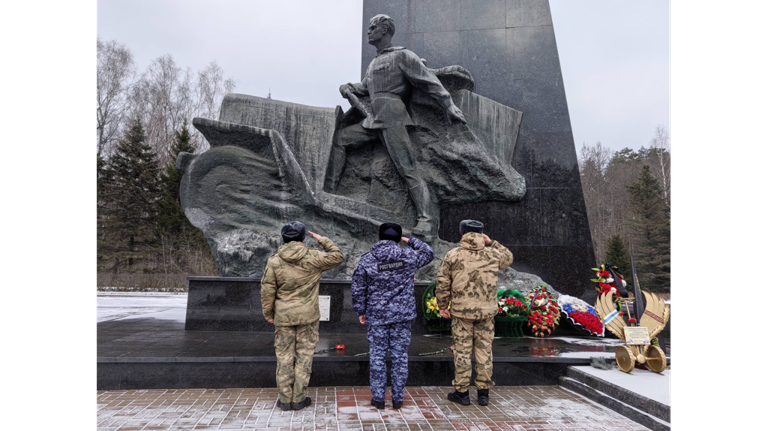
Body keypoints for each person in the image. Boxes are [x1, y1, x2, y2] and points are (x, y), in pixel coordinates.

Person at [324, 14, 467, 241]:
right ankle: (328, 193)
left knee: (407, 168)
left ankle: (426, 220)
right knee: (341, 140)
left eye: (373, 28)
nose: (368, 31)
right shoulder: (373, 63)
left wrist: (448, 105)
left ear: (385, 31)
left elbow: (429, 81)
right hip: (372, 118)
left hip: (393, 117)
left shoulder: (403, 55)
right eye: (369, 28)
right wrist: (348, 86)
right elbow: (365, 87)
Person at [261, 221, 344, 411]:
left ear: (283, 238)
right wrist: (322, 239)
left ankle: (284, 399)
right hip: (308, 316)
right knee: (304, 356)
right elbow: (338, 256)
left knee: (284, 357)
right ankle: (298, 398)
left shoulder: (274, 261)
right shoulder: (313, 257)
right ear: (303, 237)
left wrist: (268, 313)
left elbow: (267, 290)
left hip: (283, 316)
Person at [351, 222, 434, 409]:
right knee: (400, 357)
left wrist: (361, 311)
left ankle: (379, 398)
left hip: (377, 316)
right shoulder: (409, 256)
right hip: (402, 317)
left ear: (380, 237)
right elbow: (429, 252)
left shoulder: (368, 260)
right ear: (398, 238)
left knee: (377, 356)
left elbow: (358, 288)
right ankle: (398, 398)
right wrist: (409, 240)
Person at [435, 220, 514, 406]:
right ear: (482, 233)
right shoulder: (493, 254)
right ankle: (483, 393)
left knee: (462, 352)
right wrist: (491, 242)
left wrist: (442, 306)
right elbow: (508, 257)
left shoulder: (453, 254)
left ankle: (462, 393)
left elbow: (442, 282)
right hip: (486, 313)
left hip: (462, 312)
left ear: (462, 233)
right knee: (484, 351)